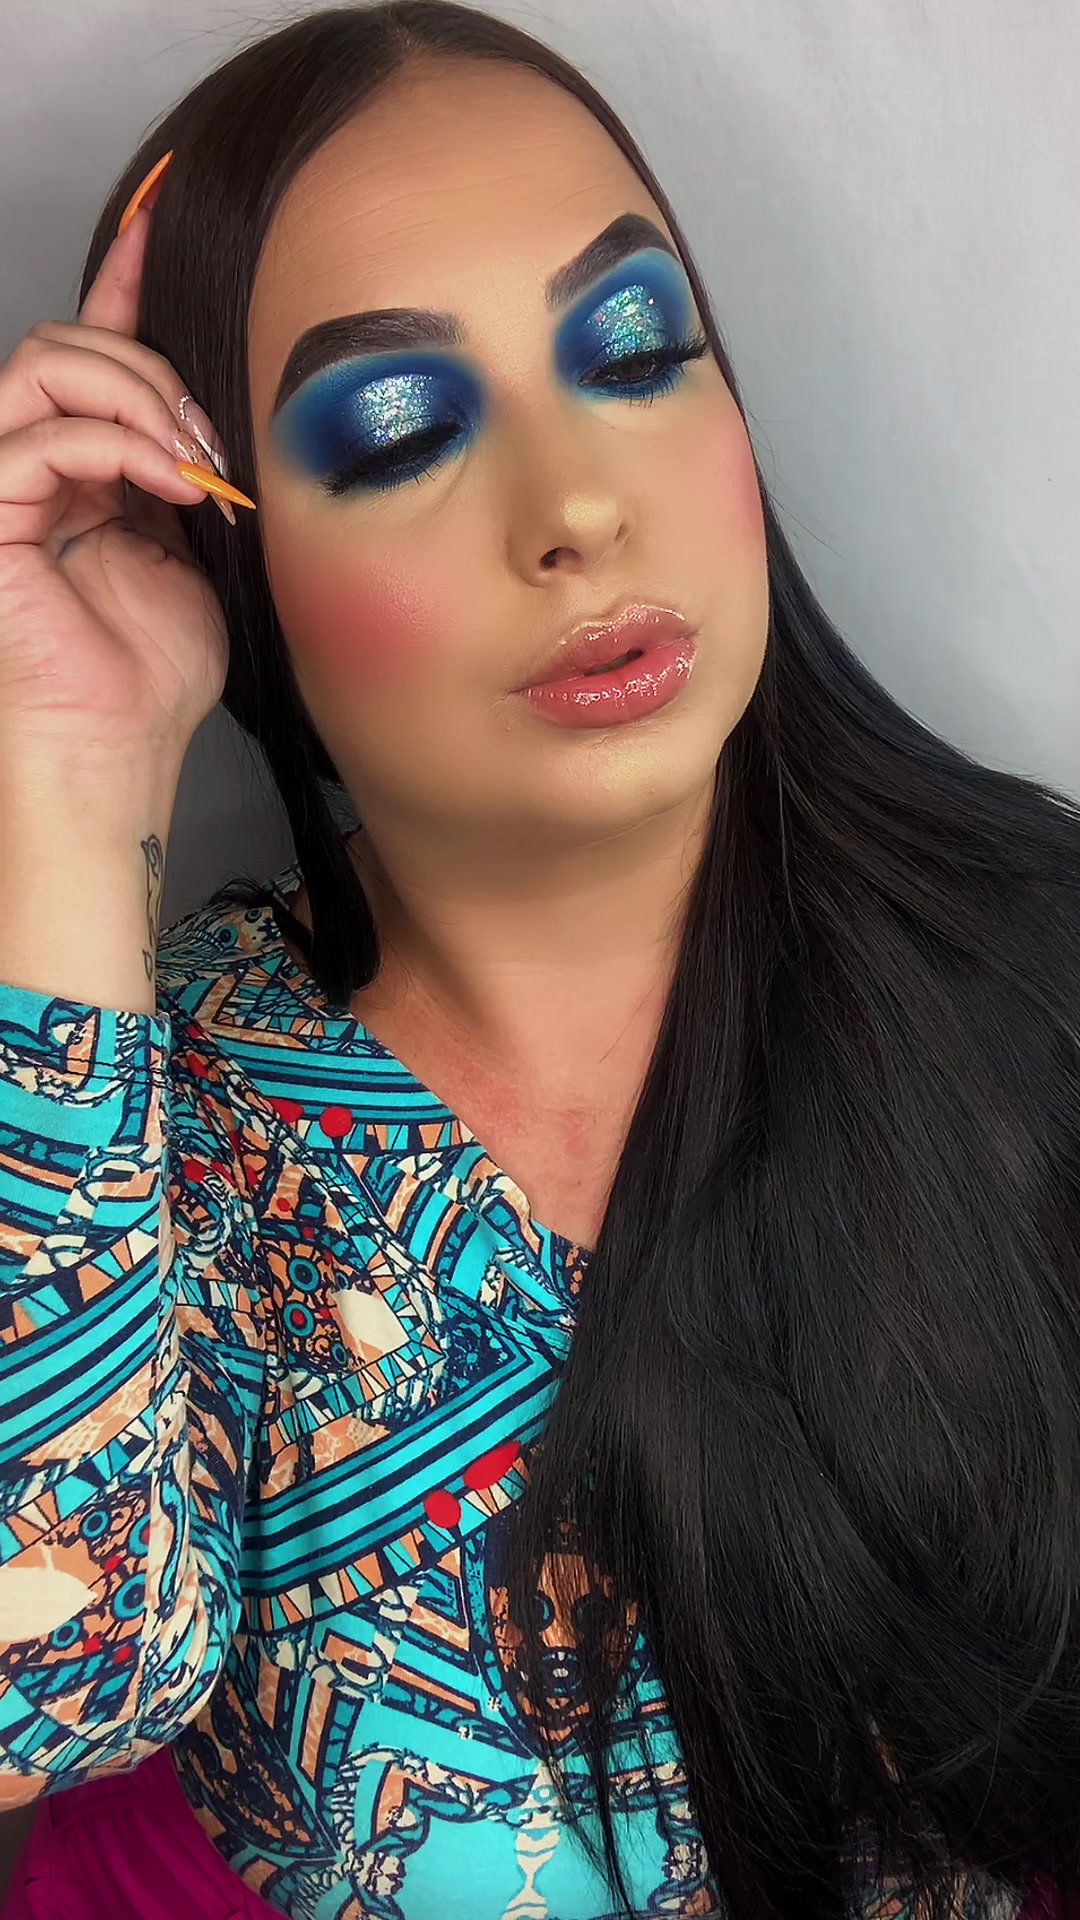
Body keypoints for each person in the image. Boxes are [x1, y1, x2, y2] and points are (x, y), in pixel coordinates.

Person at [1, 4, 1079, 1917]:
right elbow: (46, 1692)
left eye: (638, 352)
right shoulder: (144, 1120)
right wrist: (69, 776)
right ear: (236, 556)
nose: (577, 508)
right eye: (400, 433)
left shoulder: (1036, 983)